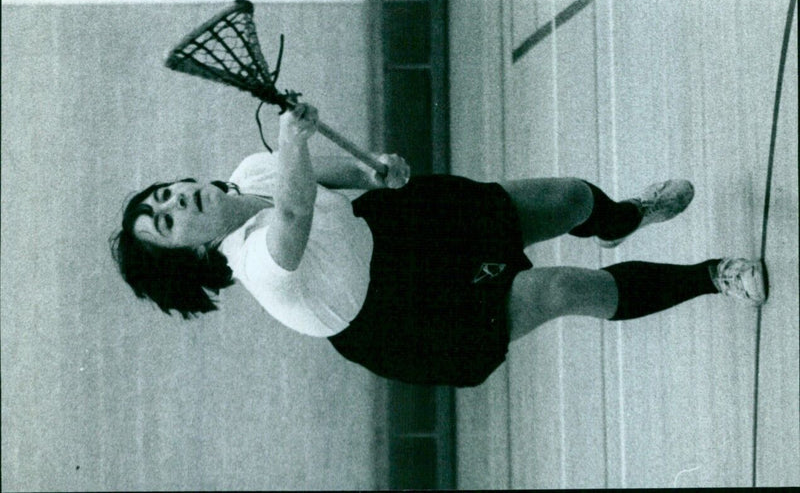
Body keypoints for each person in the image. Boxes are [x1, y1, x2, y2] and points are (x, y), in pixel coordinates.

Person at [111, 100, 767, 388]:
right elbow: (295, 208)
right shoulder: (259, 267)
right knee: (565, 289)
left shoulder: (251, 171)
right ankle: (713, 276)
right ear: (193, 256)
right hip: (401, 318)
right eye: (164, 223)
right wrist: (294, 138)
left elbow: (327, 179)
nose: (172, 203)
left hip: (399, 228)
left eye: (162, 196)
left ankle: (623, 218)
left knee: (568, 197)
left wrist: (373, 170)